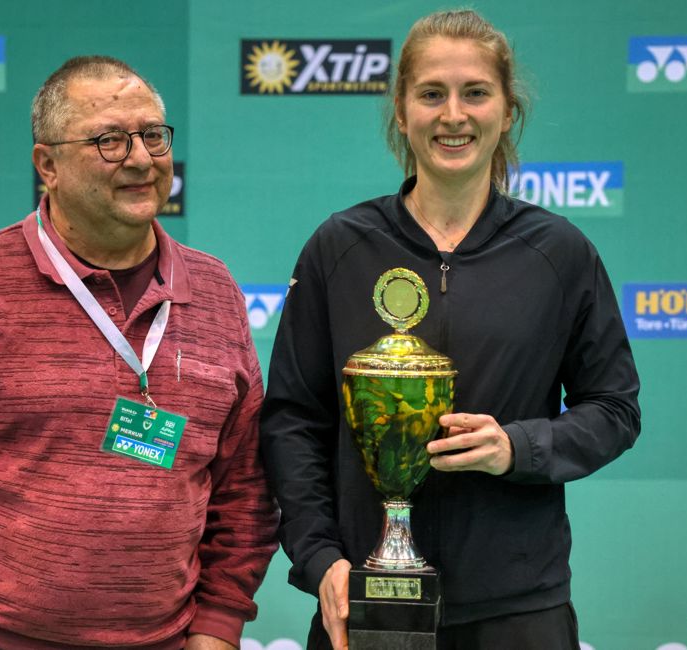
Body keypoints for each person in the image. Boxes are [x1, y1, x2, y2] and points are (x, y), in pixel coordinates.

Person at [259, 9, 640, 650]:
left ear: (507, 111)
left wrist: (518, 447)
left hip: (519, 607)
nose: (454, 115)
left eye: (476, 93)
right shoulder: (340, 247)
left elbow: (615, 409)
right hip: (367, 600)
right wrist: (321, 558)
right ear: (402, 112)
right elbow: (294, 420)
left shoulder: (560, 252)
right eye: (432, 94)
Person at [0, 56, 278, 650]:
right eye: (110, 141)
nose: (143, 159)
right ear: (48, 165)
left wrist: (219, 629)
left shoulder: (216, 290)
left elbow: (244, 490)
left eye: (152, 135)